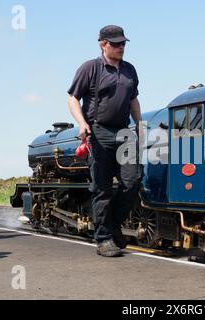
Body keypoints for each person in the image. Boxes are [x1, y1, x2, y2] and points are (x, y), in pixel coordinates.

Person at [67, 25, 142, 257]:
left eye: (123, 44)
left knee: (133, 181)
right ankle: (104, 238)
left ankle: (113, 225)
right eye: (116, 44)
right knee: (102, 188)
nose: (121, 47)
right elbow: (72, 99)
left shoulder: (130, 70)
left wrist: (139, 124)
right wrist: (81, 123)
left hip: (124, 131)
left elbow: (133, 100)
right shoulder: (90, 68)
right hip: (99, 131)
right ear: (103, 44)